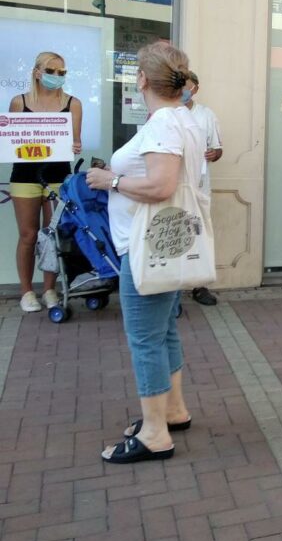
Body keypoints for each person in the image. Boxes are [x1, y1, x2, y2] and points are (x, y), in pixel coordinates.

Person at [86, 41, 201, 464]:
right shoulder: (182, 120)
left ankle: (155, 433)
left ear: (141, 80)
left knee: (145, 339)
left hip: (145, 247)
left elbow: (161, 185)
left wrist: (109, 181)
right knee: (164, 330)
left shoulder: (162, 126)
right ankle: (173, 410)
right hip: (163, 244)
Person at [8, 52, 83, 313]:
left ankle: (50, 289)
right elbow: (12, 141)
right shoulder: (19, 102)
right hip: (24, 176)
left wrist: (75, 145)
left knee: (53, 235)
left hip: (58, 176)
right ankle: (26, 291)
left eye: (62, 72)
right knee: (28, 235)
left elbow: (74, 142)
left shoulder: (73, 103)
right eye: (52, 70)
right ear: (38, 72)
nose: (57, 76)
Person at [182, 71, 222, 306]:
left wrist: (213, 153)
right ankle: (171, 288)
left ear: (195, 88)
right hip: (172, 186)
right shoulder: (165, 114)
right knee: (173, 233)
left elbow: (218, 150)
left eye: (185, 86)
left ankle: (200, 285)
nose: (182, 90)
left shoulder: (206, 115)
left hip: (199, 188)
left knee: (200, 235)